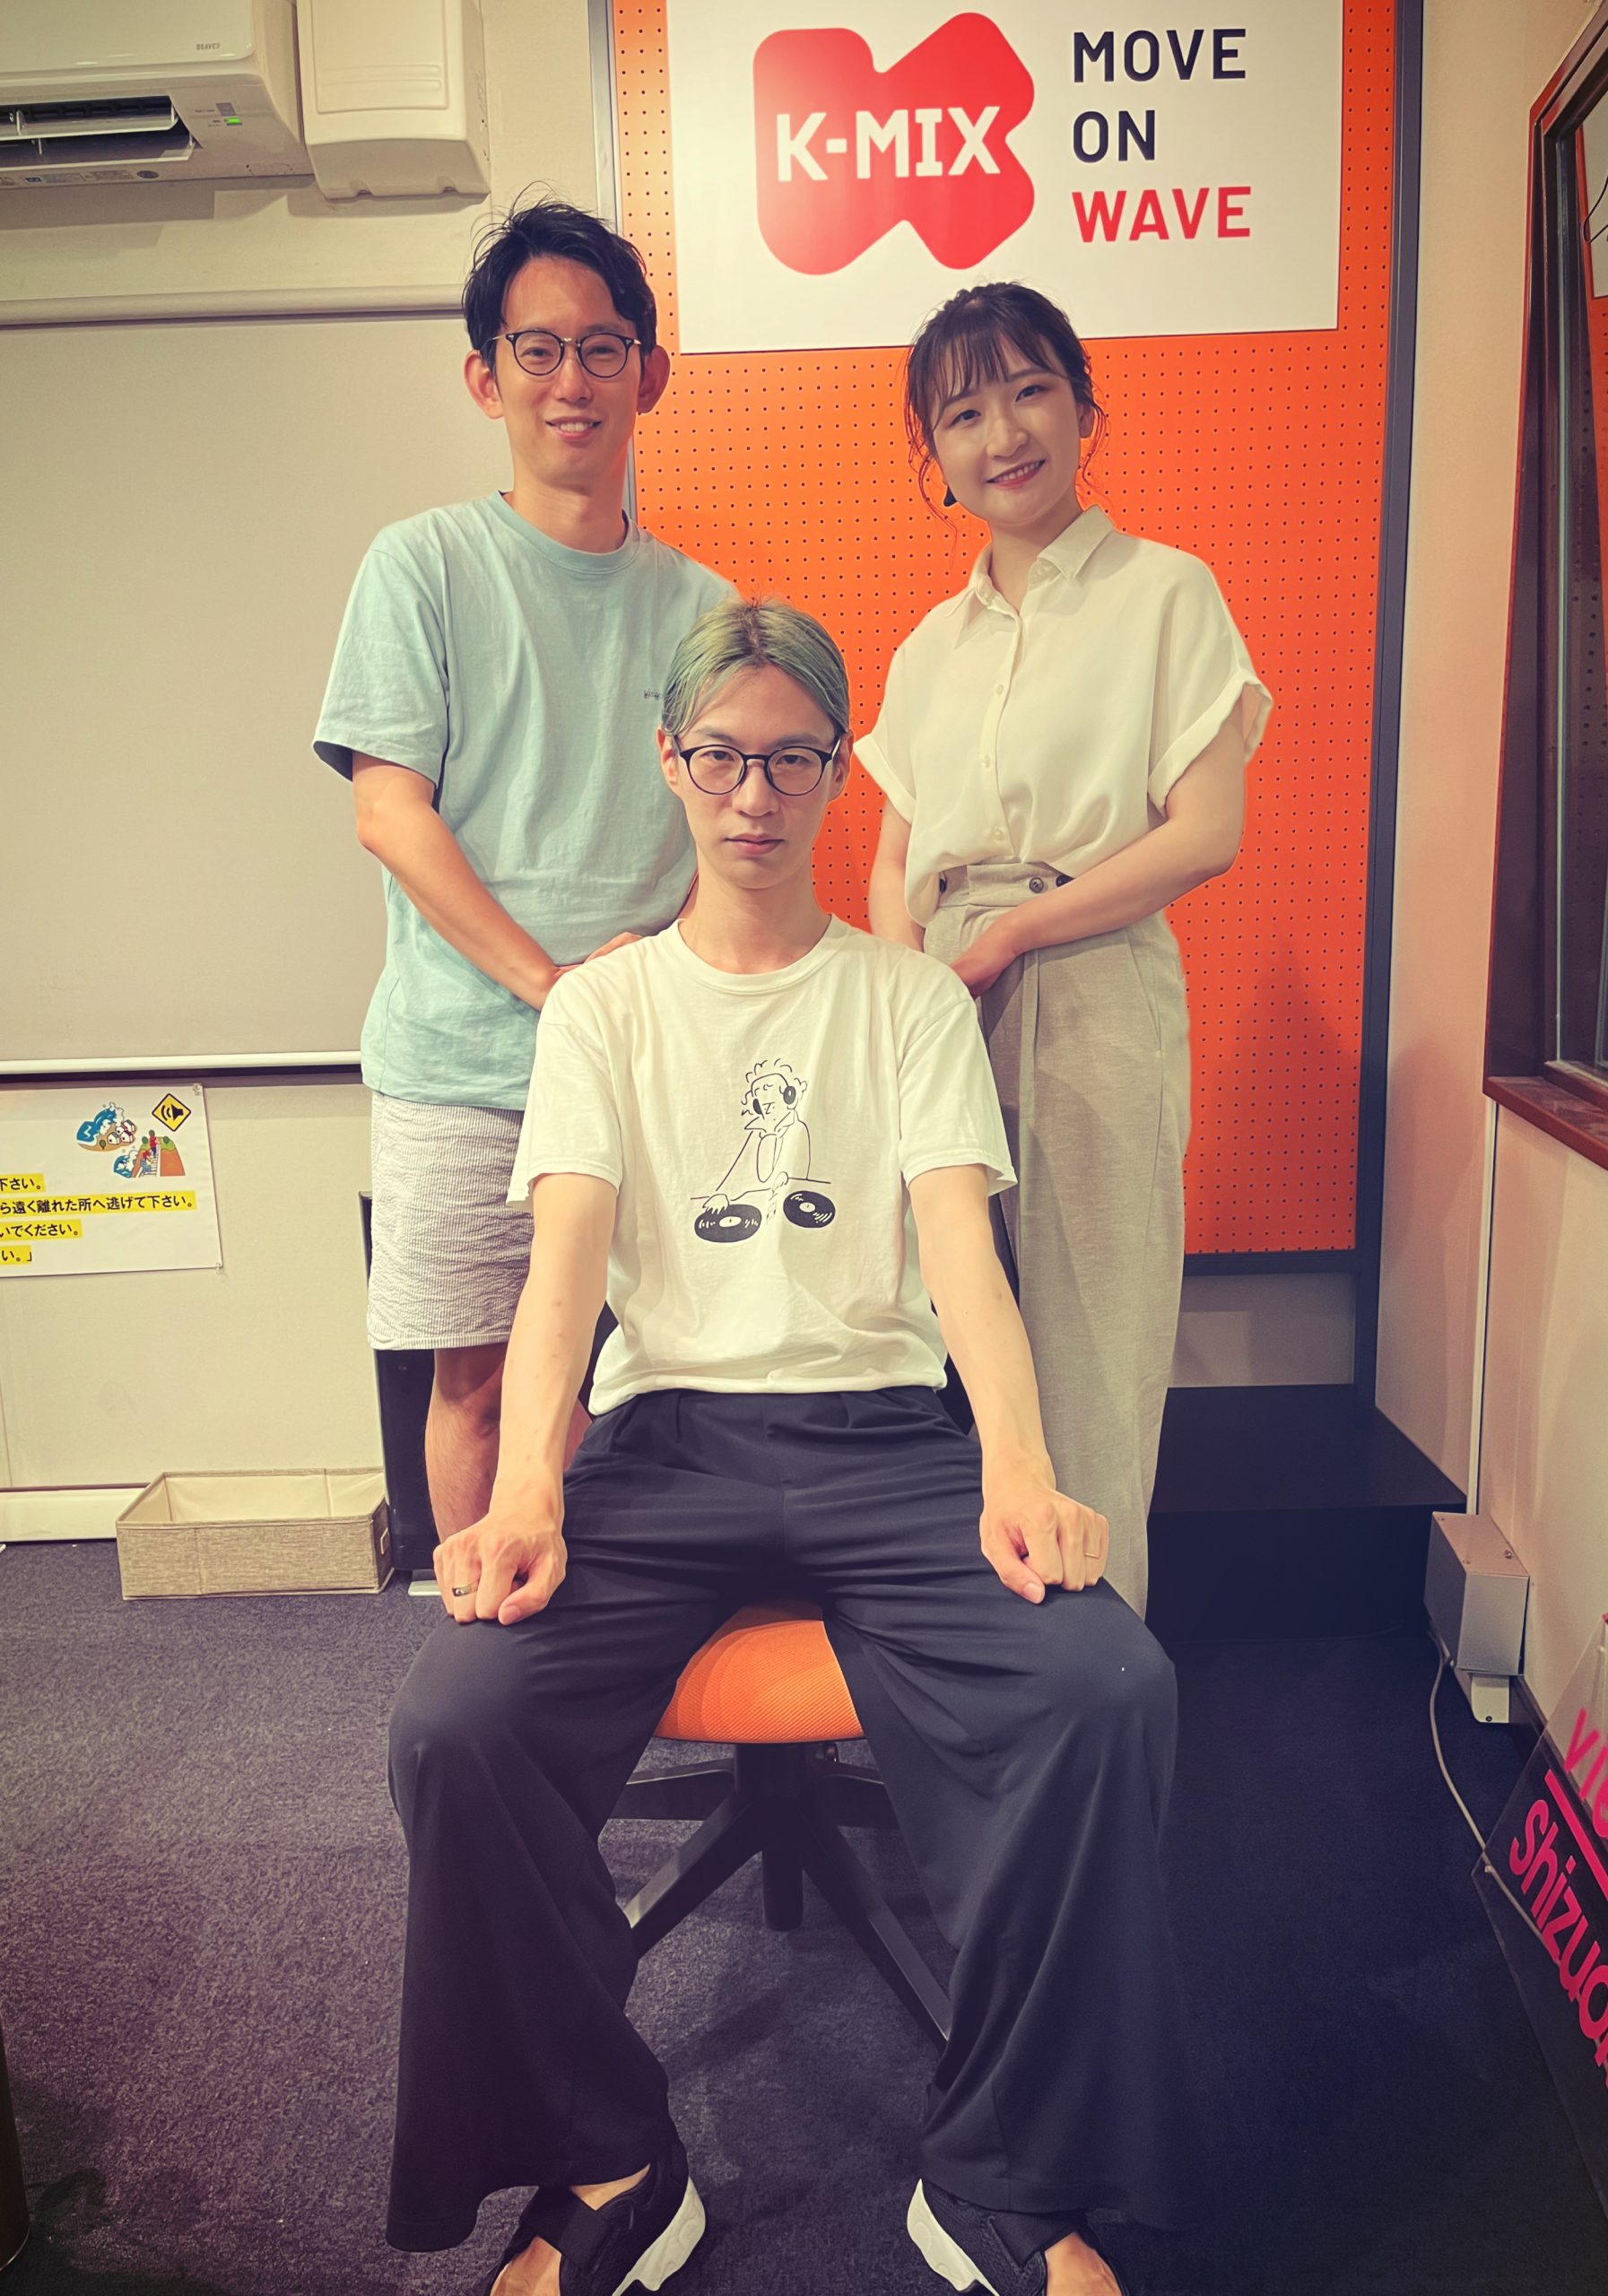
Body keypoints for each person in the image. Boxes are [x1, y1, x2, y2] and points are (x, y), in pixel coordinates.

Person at [386, 601, 1203, 2296]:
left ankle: (999, 2179)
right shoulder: (602, 1009)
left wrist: (1018, 1465)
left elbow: (963, 1259)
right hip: (667, 1448)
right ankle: (610, 2161)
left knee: (1106, 1689)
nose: (752, 795)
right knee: (456, 1723)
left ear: (838, 772)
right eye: (719, 757)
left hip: (883, 1441)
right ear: (669, 761)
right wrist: (527, 1489)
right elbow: (562, 1279)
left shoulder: (904, 1001)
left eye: (791, 759)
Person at [313, 198, 731, 1538]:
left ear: (647, 374)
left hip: (643, 1060)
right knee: (483, 1388)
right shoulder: (420, 566)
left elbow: (729, 832)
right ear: (484, 378)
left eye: (602, 349)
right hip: (462, 1062)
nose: (571, 381)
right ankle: (488, 1640)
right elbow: (390, 812)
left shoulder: (706, 612)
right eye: (537, 351)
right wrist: (553, 986)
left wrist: (653, 986)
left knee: (640, 1390)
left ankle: (602, 1639)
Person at [859, 282, 1273, 1619]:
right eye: (962, 413)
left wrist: (1017, 932)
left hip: (1090, 977)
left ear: (1084, 410)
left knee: (1092, 1349)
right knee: (934, 1343)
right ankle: (966, 1668)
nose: (1002, 435)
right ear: (932, 453)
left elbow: (1205, 832)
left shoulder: (1166, 593)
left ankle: (1098, 1684)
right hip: (941, 1000)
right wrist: (907, 989)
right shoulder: (928, 647)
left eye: (1029, 391)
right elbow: (891, 862)